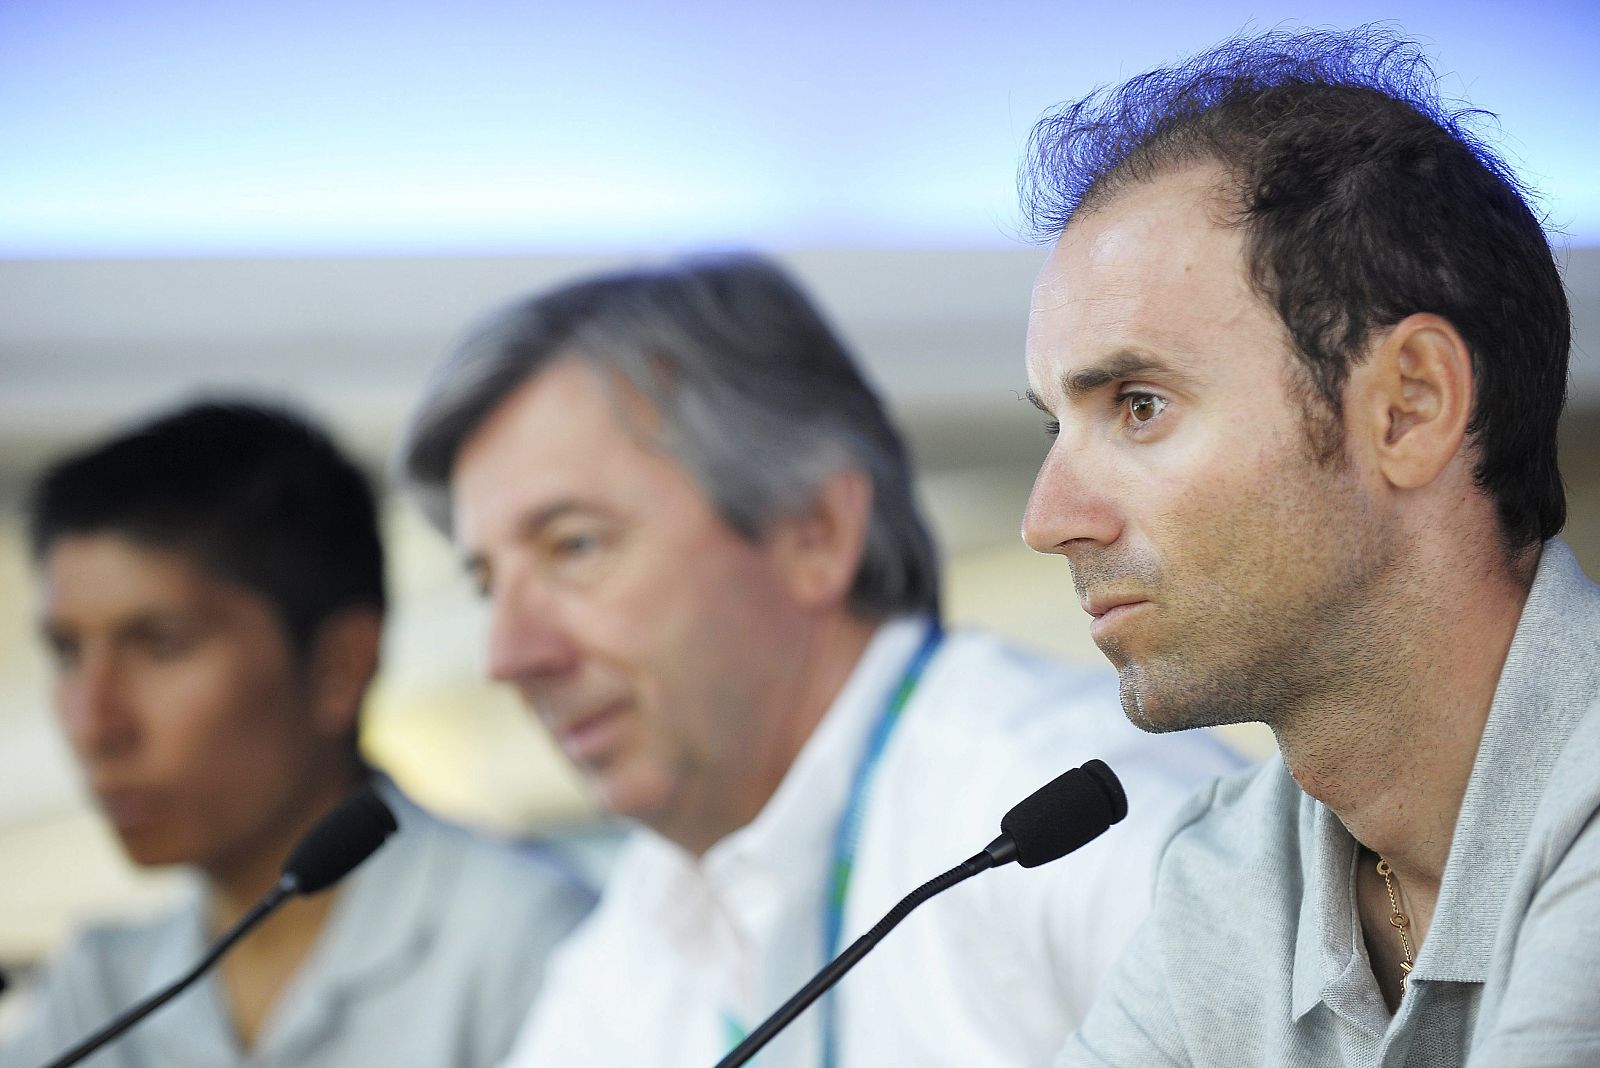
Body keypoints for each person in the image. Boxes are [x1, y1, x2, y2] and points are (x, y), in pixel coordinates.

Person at [398, 252, 1243, 1067]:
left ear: (814, 533)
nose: (509, 655)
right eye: (486, 584)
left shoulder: (1071, 822)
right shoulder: (651, 912)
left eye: (574, 546)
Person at [1015, 25, 1599, 1068]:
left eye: (1138, 406)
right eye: (1052, 426)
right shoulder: (1232, 866)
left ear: (1407, 408)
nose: (1048, 517)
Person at [5, 401, 595, 1068]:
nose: (93, 724)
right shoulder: (101, 985)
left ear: (339, 666)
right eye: (66, 654)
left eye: (160, 647)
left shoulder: (524, 937)